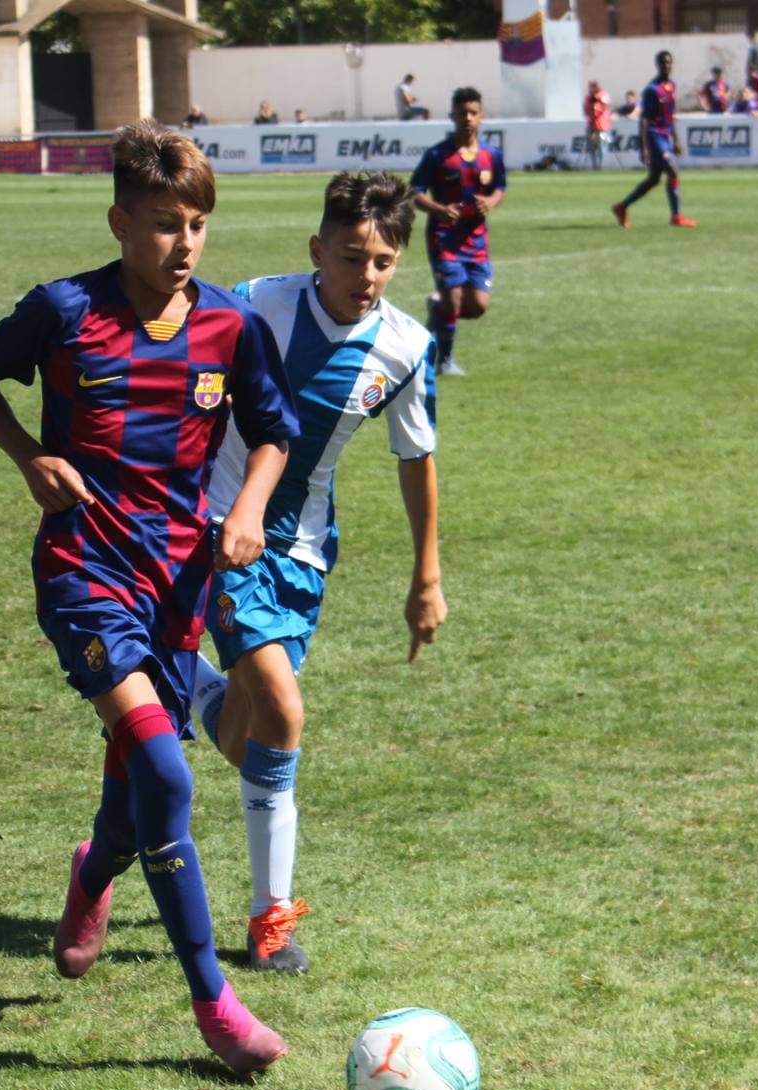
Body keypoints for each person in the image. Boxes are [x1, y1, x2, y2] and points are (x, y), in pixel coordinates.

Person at [0, 120, 296, 1075]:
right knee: (169, 777)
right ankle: (215, 1007)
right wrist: (30, 457)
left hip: (178, 584)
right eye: (159, 224)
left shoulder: (231, 325)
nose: (181, 245)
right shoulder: (63, 313)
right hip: (85, 574)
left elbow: (273, 431)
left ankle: (91, 874)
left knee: (135, 788)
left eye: (195, 225)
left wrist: (248, 511)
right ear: (117, 222)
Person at [192, 171, 444, 979]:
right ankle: (271, 922)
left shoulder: (404, 348)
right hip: (221, 531)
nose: (365, 275)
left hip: (302, 552)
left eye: (382, 261)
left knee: (249, 732)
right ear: (316, 251)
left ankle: (177, 684)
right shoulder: (254, 305)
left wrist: (425, 577)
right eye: (350, 257)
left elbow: (417, 460)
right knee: (286, 714)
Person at [412, 87, 505, 377]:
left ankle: (438, 310)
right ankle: (445, 360)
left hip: (476, 240)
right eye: (462, 113)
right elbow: (413, 192)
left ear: (481, 117)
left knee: (478, 306)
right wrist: (437, 209)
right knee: (452, 297)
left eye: (473, 113)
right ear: (452, 115)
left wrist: (489, 202)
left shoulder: (492, 155)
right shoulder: (438, 155)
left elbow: (499, 187)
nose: (467, 118)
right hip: (444, 238)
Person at [612, 51, 695, 230]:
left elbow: (671, 115)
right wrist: (644, 148)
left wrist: (677, 140)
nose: (667, 66)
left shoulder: (672, 86)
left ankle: (622, 206)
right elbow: (644, 119)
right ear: (658, 65)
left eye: (669, 63)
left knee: (653, 180)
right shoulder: (652, 89)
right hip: (654, 135)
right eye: (663, 63)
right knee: (672, 171)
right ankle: (676, 216)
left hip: (665, 136)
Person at [584, 80, 612, 169]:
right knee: (592, 145)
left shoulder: (603, 95)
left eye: (594, 86)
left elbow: (605, 106)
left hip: (602, 126)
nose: (592, 88)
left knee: (601, 145)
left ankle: (601, 165)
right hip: (592, 125)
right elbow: (586, 110)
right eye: (591, 86)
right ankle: (594, 165)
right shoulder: (588, 98)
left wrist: (597, 99)